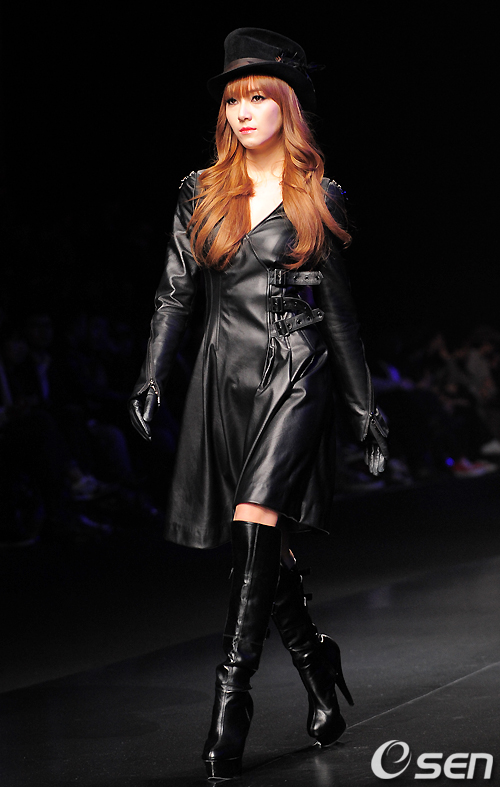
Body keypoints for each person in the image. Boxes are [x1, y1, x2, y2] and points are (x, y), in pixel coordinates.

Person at [129, 28, 388, 781]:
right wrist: (151, 375)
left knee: (254, 518)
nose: (241, 112)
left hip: (296, 371)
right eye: (232, 100)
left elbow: (339, 314)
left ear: (287, 105)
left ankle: (230, 702)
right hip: (223, 375)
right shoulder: (200, 190)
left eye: (256, 97)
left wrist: (364, 409)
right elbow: (175, 292)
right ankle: (316, 663)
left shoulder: (319, 197)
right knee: (262, 543)